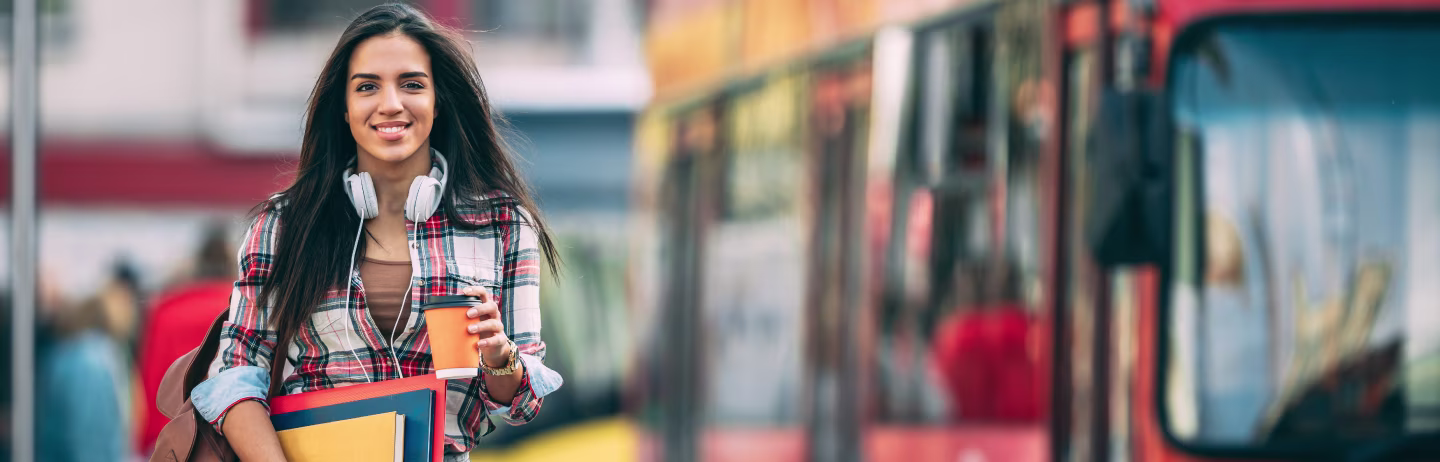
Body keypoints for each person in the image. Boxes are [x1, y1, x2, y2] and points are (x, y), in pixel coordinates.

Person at [188, 4, 564, 461]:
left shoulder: (503, 224)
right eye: (368, 86)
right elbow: (235, 373)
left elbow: (521, 403)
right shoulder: (284, 225)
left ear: (437, 101)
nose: (390, 103)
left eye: (411, 84)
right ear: (344, 109)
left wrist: (499, 355)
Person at [134, 223, 235, 455]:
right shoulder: (240, 307)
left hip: (171, 439)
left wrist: (146, 440)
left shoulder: (165, 311)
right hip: (227, 439)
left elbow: (150, 379)